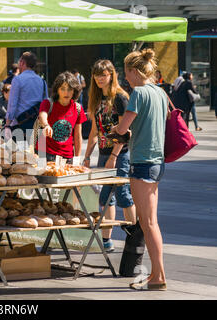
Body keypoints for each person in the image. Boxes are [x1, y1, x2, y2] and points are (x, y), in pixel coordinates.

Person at [111, 48, 168, 291]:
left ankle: (159, 276)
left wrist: (116, 131)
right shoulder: (160, 92)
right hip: (157, 161)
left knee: (148, 222)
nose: (126, 79)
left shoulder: (139, 93)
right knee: (150, 221)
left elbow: (123, 128)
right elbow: (151, 125)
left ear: (134, 71)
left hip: (142, 162)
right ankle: (157, 274)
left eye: (126, 74)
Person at [83, 59, 137, 252]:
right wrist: (87, 156)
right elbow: (94, 132)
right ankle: (107, 241)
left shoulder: (120, 98)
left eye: (103, 74)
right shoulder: (97, 100)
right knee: (106, 198)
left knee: (122, 194)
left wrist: (114, 156)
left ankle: (135, 237)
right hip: (103, 155)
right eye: (97, 75)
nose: (99, 78)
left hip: (119, 154)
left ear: (111, 75)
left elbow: (124, 132)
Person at [35, 71, 87, 162]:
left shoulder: (78, 108)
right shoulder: (48, 103)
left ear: (74, 91)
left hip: (67, 157)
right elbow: (42, 115)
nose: (66, 93)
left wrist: (77, 158)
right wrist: (46, 126)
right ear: (57, 90)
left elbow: (78, 135)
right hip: (45, 154)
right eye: (62, 89)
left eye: (69, 89)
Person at [5, 51, 48, 141]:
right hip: (38, 123)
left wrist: (8, 124)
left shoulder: (17, 80)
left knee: (21, 153)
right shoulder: (42, 81)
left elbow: (12, 103)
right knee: (39, 153)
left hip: (21, 124)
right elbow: (46, 104)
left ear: (22, 63)